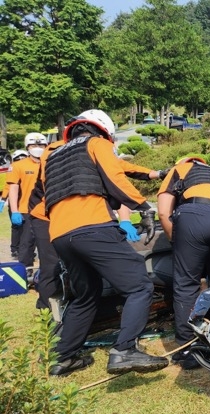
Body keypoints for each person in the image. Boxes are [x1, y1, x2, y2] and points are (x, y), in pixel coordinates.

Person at [41, 109, 168, 376]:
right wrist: (143, 207)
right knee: (139, 286)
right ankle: (124, 350)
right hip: (93, 227)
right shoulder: (96, 144)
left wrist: (155, 173)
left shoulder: (53, 157)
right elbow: (115, 176)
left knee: (86, 294)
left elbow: (120, 166)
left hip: (61, 235)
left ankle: (62, 357)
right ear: (104, 132)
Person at [157, 156, 210, 370]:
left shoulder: (181, 168)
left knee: (187, 284)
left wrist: (176, 240)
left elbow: (162, 210)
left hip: (196, 214)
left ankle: (188, 349)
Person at [7, 133, 47, 270]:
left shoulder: (51, 163)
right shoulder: (18, 165)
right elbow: (13, 189)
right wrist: (15, 211)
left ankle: (50, 274)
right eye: (34, 145)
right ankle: (25, 273)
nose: (38, 147)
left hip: (48, 210)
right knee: (27, 245)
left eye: (41, 144)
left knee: (49, 245)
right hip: (26, 211)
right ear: (27, 146)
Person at [3, 149, 29, 259]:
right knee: (16, 227)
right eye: (19, 159)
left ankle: (24, 250)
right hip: (15, 203)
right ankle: (15, 249)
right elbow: (8, 186)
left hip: (26, 203)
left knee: (27, 230)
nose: (21, 160)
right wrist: (3, 199)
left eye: (23, 158)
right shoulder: (13, 169)